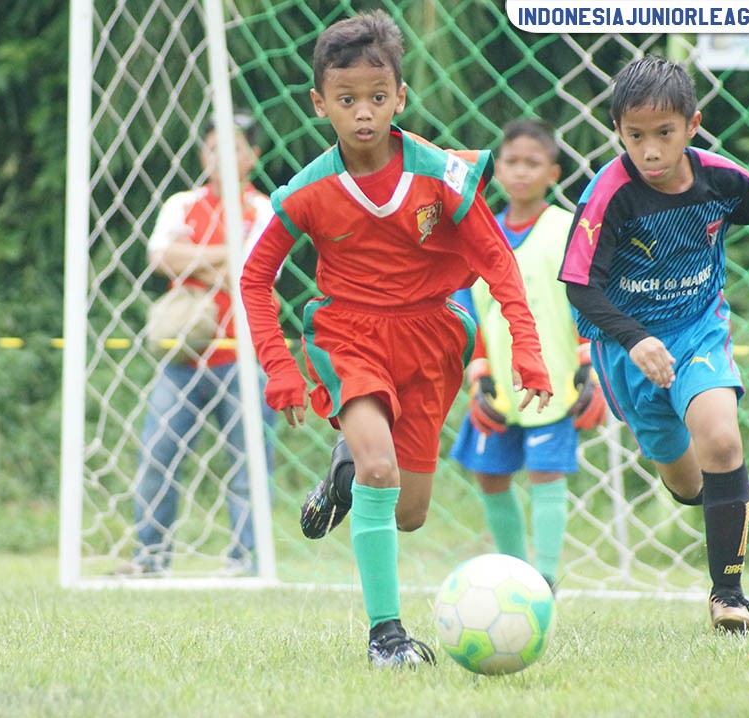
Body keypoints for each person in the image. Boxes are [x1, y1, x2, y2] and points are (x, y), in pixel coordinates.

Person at [240, 10, 552, 667]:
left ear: (400, 98)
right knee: (380, 469)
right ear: (319, 102)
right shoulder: (308, 191)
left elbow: (498, 263)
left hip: (431, 337)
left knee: (408, 511)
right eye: (346, 99)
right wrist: (280, 368)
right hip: (347, 334)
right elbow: (254, 278)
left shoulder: (439, 176)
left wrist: (525, 348)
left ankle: (344, 473)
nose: (363, 113)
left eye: (377, 98)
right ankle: (386, 638)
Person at [558, 55, 749, 633]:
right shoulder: (609, 194)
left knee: (722, 441)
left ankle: (729, 596)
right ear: (617, 130)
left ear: (692, 124)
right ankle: (739, 493)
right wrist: (635, 338)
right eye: (635, 136)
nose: (650, 151)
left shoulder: (721, 179)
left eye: (664, 133)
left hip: (698, 328)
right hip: (628, 348)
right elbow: (579, 285)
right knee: (688, 487)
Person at [449, 118, 607, 592]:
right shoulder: (479, 232)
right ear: (497, 169)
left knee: (545, 473)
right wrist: (477, 375)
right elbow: (467, 310)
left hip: (556, 381)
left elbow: (586, 300)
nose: (521, 172)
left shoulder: (566, 229)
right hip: (499, 381)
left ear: (553, 173)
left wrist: (590, 367)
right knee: (490, 477)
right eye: (512, 162)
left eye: (532, 163)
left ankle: (546, 580)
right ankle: (516, 575)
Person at [133, 111, 276, 576]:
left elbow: (259, 268)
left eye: (234, 148)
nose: (223, 157)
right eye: (214, 148)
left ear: (253, 156)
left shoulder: (266, 209)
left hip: (244, 356)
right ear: (202, 155)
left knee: (249, 463)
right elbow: (160, 256)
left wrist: (194, 262)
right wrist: (228, 256)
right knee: (157, 455)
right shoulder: (182, 204)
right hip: (184, 355)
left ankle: (247, 561)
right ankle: (149, 558)